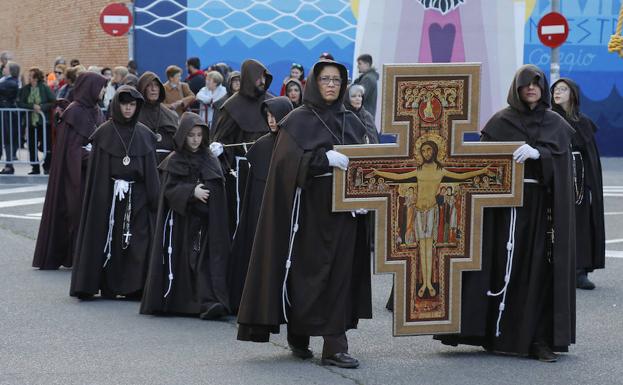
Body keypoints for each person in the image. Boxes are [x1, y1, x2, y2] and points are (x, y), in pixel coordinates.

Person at [434, 64, 576, 362]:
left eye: (537, 83)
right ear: (517, 88)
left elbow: (563, 167)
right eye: (526, 84)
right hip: (501, 210)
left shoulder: (555, 123)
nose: (532, 88)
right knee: (498, 265)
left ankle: (537, 338)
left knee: (536, 270)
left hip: (538, 209)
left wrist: (542, 155)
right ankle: (491, 332)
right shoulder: (501, 121)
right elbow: (481, 162)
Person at [237, 60, 372, 369]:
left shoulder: (352, 121)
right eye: (325, 79)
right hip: (308, 214)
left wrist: (365, 197)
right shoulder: (297, 121)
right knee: (307, 275)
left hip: (344, 214)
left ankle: (335, 345)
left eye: (337, 80)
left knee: (339, 275)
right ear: (315, 82)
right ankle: (299, 332)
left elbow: (365, 165)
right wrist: (322, 160)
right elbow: (285, 166)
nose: (331, 85)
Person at [70, 86, 160, 300]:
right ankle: (107, 284)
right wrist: (99, 200)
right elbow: (97, 172)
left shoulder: (145, 135)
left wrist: (154, 199)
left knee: (137, 240)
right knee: (108, 239)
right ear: (116, 105)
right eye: (124, 104)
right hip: (109, 195)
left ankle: (134, 286)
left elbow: (150, 171)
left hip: (136, 197)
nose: (128, 109)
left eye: (132, 105)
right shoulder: (104, 133)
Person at [140, 112, 231, 319]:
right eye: (191, 135)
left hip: (204, 224)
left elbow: (217, 188)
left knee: (202, 263)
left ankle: (208, 302)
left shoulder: (209, 159)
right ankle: (181, 302)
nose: (196, 140)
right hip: (180, 223)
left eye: (199, 135)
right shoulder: (174, 160)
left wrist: (207, 191)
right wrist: (191, 192)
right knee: (183, 262)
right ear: (183, 135)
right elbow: (169, 190)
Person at [32, 72, 108, 270]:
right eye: (100, 87)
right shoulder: (74, 112)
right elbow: (71, 151)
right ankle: (70, 255)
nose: (103, 91)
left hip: (91, 173)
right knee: (73, 212)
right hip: (74, 175)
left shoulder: (96, 110)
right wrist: (93, 155)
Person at [228, 96, 293, 314]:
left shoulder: (294, 144)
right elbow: (252, 190)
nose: (271, 120)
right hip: (261, 209)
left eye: (275, 115)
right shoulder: (261, 146)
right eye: (268, 115)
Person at [551, 78, 605, 290]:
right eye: (555, 89)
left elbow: (591, 158)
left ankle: (579, 271)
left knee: (580, 222)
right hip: (554, 177)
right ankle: (555, 271)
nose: (557, 92)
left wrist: (591, 186)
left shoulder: (583, 122)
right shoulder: (547, 119)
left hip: (579, 183)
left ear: (572, 94)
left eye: (563, 89)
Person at [210, 59, 273, 236]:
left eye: (263, 77)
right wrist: (220, 149)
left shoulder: (271, 102)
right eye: (258, 78)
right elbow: (221, 138)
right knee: (242, 219)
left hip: (269, 169)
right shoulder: (232, 106)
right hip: (241, 173)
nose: (261, 81)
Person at [18, 67, 56, 175]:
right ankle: (35, 167)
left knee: (46, 145)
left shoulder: (44, 88)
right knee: (31, 145)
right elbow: (20, 103)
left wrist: (42, 107)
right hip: (30, 122)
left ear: (36, 77)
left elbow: (53, 101)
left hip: (44, 122)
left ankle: (47, 166)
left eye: (30, 75)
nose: (29, 77)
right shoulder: (25, 89)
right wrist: (31, 106)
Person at [137, 71, 179, 164]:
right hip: (142, 163)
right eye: (149, 85)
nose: (153, 89)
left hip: (167, 164)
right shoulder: (134, 114)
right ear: (142, 88)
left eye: (156, 85)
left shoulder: (170, 114)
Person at [0, 61, 20, 175]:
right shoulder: (5, 80)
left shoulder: (12, 82)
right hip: (4, 114)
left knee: (7, 140)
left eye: (6, 67)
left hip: (7, 115)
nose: (4, 68)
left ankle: (9, 165)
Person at [353, 54, 379, 118]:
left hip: (363, 117)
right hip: (367, 116)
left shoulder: (367, 79)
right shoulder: (371, 77)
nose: (358, 66)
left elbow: (360, 97)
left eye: (360, 63)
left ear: (367, 64)